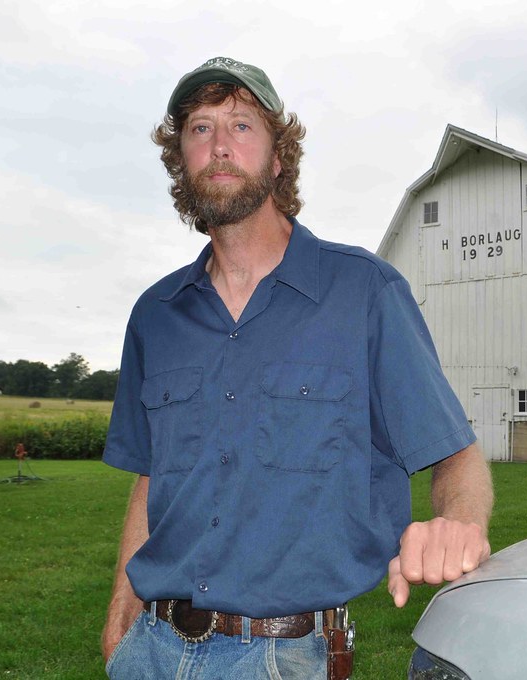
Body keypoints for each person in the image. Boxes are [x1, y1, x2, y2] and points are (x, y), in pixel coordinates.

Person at [101, 56, 493, 680]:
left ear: (278, 157)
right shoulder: (155, 315)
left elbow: (456, 455)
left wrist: (456, 525)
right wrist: (123, 599)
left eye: (241, 125)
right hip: (149, 649)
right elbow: (151, 477)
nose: (220, 145)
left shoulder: (364, 291)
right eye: (200, 128)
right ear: (182, 159)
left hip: (285, 657)